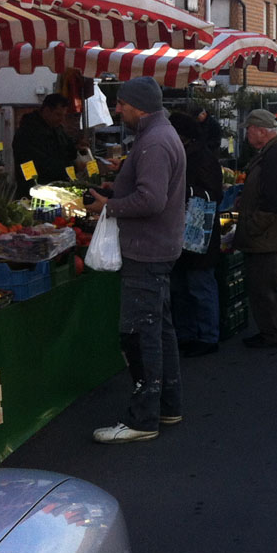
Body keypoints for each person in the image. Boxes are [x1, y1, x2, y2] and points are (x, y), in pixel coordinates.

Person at [85, 77, 187, 443]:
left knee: (140, 335)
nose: (116, 109)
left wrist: (109, 206)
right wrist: (117, 189)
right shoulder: (159, 136)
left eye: (121, 104)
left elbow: (151, 200)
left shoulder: (154, 142)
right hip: (158, 247)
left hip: (146, 250)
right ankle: (168, 406)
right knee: (159, 331)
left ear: (138, 105)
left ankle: (143, 420)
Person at [235, 109, 277, 349]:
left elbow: (272, 202)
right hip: (271, 233)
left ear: (261, 131)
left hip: (268, 236)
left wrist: (252, 227)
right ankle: (270, 331)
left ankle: (273, 334)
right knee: (263, 287)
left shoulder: (275, 155)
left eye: (249, 130)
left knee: (263, 288)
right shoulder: (276, 151)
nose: (247, 135)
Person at [168, 112, 223, 358]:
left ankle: (208, 336)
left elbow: (213, 194)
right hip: (178, 228)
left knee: (199, 284)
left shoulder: (202, 158)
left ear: (183, 136)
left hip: (200, 228)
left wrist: (183, 190)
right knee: (180, 286)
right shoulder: (179, 155)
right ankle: (186, 334)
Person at [12, 93, 85, 197]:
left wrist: (77, 147)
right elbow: (43, 165)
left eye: (63, 115)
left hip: (56, 189)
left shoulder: (57, 128)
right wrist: (74, 166)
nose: (62, 119)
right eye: (58, 115)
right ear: (46, 111)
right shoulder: (28, 132)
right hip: (35, 192)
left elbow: (67, 148)